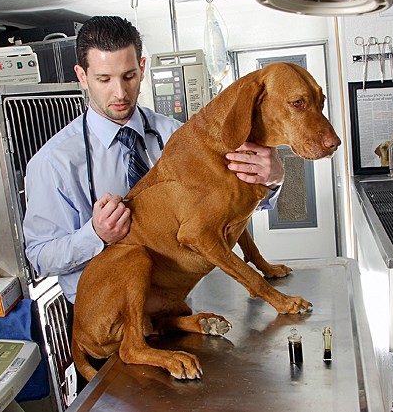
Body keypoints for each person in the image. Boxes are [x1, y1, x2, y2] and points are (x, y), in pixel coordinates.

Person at [23, 16, 284, 308]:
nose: (120, 93)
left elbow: (229, 206)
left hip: (188, 304)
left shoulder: (177, 135)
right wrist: (95, 235)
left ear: (142, 68)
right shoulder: (53, 164)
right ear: (82, 77)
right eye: (104, 79)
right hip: (117, 318)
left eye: (129, 76)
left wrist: (270, 180)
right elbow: (40, 258)